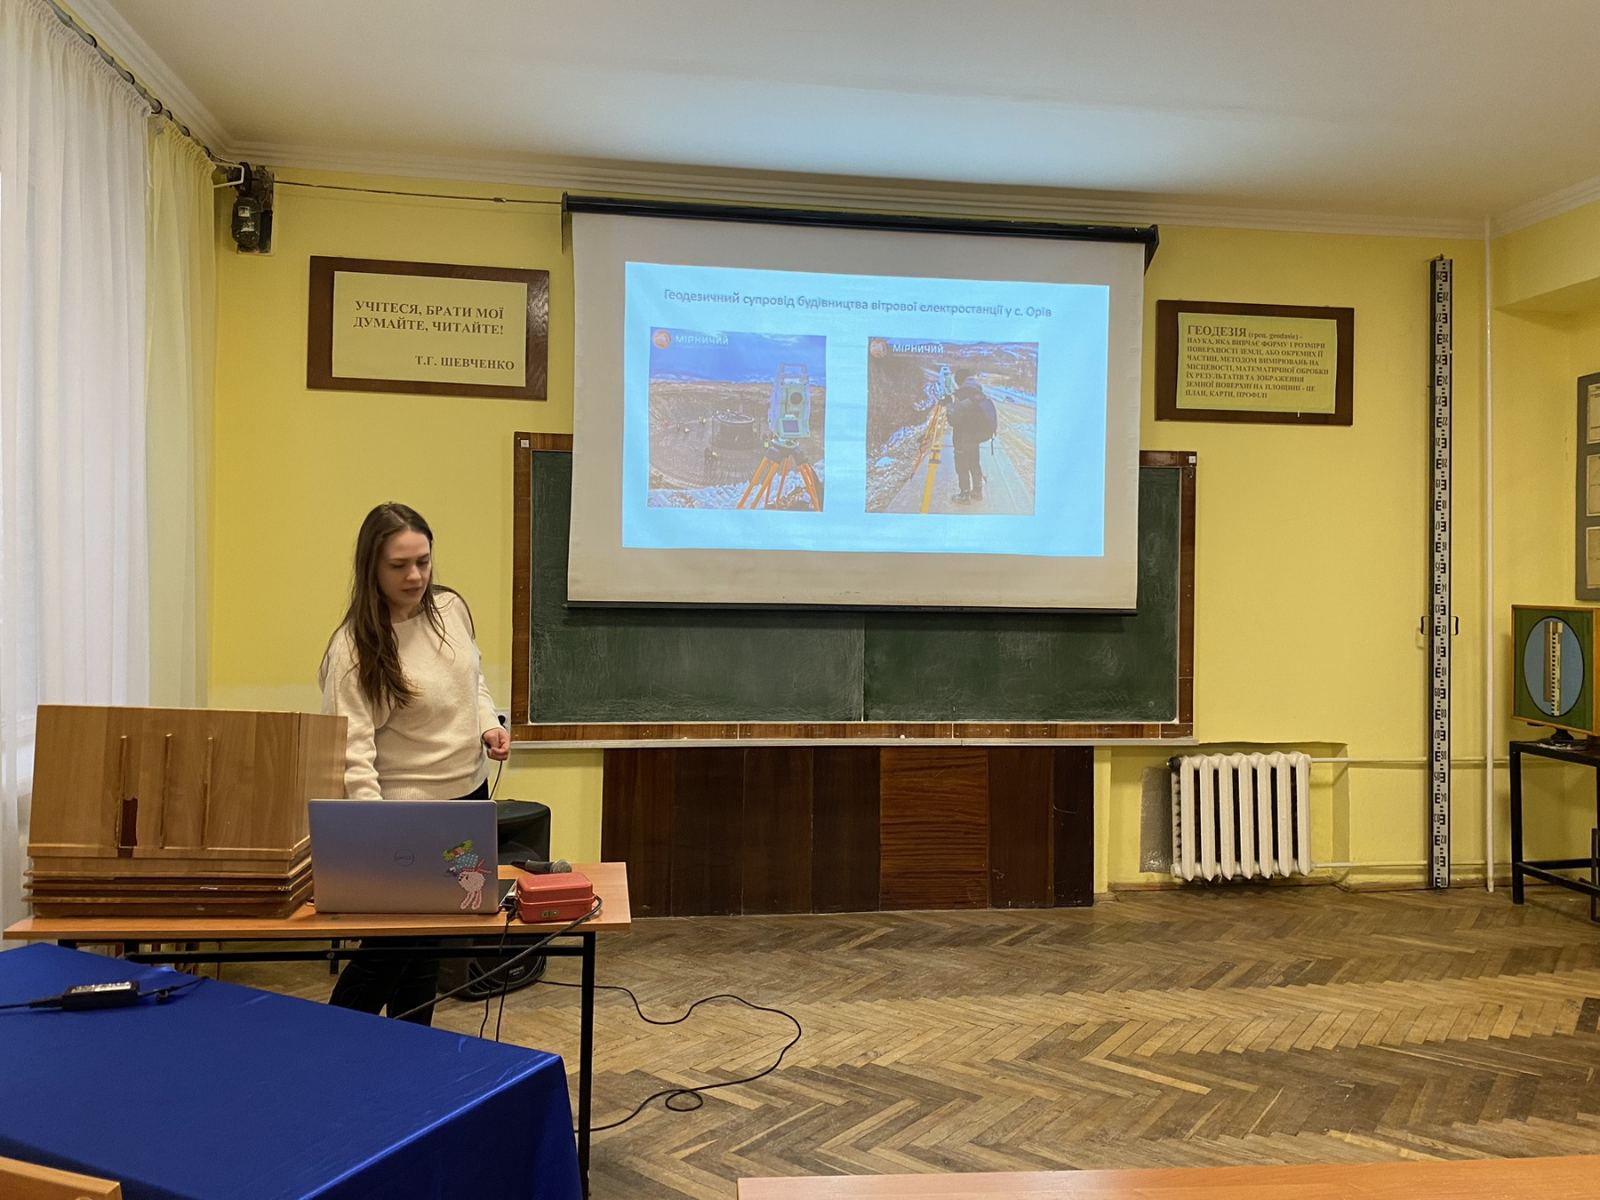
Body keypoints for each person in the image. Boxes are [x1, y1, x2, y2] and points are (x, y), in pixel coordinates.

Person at [318, 501, 510, 1024]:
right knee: (390, 953)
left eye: (423, 561)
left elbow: (472, 679)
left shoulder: (450, 608)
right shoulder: (353, 648)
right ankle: (329, 1046)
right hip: (404, 816)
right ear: (371, 568)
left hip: (467, 801)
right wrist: (376, 834)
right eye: (399, 565)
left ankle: (411, 1054)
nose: (415, 576)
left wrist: (487, 723)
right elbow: (351, 751)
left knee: (427, 950)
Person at [947, 371, 998, 504]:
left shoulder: (960, 395)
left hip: (962, 437)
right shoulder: (979, 394)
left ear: (960, 381)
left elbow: (953, 420)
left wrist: (948, 406)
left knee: (962, 466)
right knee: (974, 464)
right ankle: (977, 491)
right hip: (975, 438)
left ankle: (964, 495)